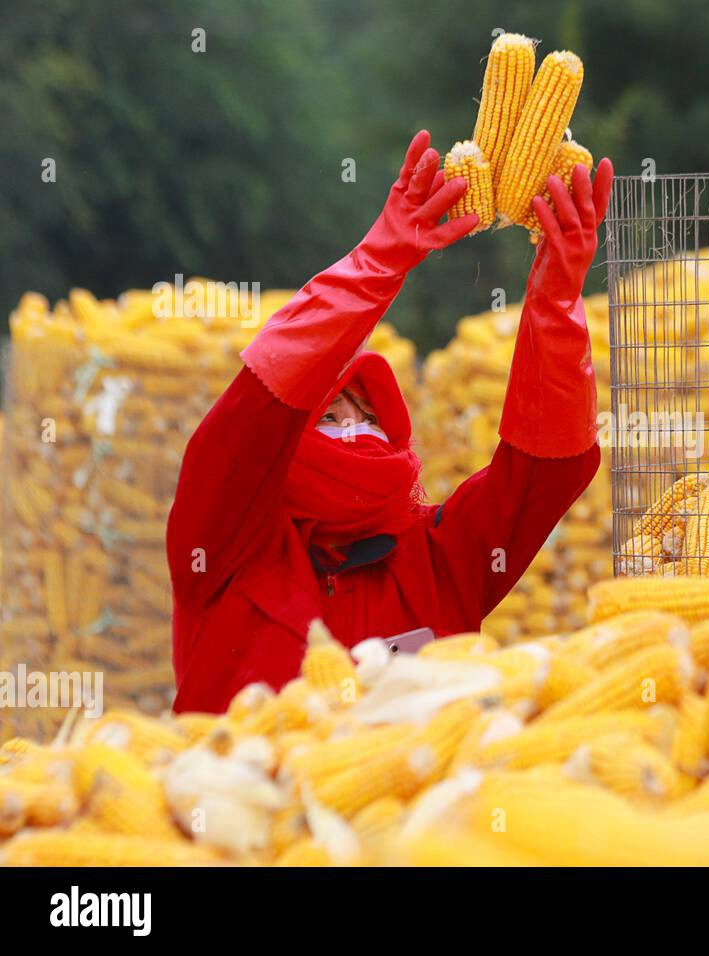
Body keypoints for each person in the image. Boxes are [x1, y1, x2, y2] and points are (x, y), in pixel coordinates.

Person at [166, 130, 614, 713]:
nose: (355, 429)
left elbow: (543, 470)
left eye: (369, 415)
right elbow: (256, 408)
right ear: (288, 438)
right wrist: (378, 261)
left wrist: (555, 301)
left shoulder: (442, 554)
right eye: (330, 414)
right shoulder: (226, 544)